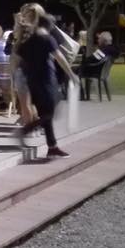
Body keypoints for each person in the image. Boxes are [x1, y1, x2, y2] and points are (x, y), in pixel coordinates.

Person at [15, 15, 79, 159]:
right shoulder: (48, 39)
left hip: (32, 82)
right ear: (50, 26)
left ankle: (52, 148)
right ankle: (24, 131)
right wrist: (71, 74)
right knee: (49, 113)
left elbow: (18, 60)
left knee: (46, 115)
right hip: (46, 81)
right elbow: (59, 57)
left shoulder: (27, 41)